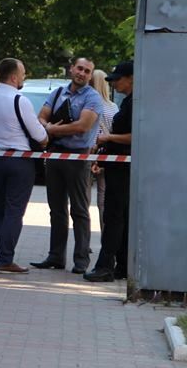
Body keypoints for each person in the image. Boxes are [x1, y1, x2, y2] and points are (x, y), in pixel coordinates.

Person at [31, 57, 103, 274]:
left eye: (87, 71)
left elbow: (83, 126)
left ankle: (81, 261)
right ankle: (55, 257)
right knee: (56, 209)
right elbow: (41, 117)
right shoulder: (57, 93)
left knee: (79, 210)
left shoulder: (93, 98)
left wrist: (50, 130)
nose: (82, 73)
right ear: (72, 69)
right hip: (54, 155)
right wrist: (46, 125)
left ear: (90, 76)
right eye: (79, 68)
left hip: (78, 157)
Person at [0, 58, 48, 273]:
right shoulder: (20, 100)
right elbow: (39, 135)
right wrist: (46, 131)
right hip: (19, 160)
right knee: (14, 211)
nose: (24, 77)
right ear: (14, 77)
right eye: (23, 73)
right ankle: (5, 259)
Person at [85, 60, 134, 283]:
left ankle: (105, 266)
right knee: (121, 216)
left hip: (124, 170)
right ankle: (122, 266)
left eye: (118, 79)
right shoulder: (128, 102)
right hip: (118, 166)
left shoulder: (135, 104)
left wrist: (107, 138)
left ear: (131, 78)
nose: (114, 83)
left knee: (113, 217)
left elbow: (135, 136)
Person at [88, 68, 119, 233]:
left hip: (88, 152)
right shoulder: (113, 107)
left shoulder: (88, 105)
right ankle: (105, 234)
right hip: (105, 152)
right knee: (103, 197)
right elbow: (115, 130)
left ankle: (84, 240)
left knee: (83, 198)